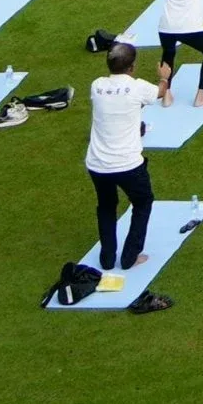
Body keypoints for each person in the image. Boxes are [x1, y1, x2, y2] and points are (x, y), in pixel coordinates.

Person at [85, 40, 156, 283]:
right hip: (127, 164)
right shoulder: (138, 88)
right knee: (143, 201)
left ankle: (107, 258)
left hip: (97, 164)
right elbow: (159, 93)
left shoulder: (96, 86)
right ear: (132, 67)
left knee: (106, 206)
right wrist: (165, 78)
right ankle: (130, 255)